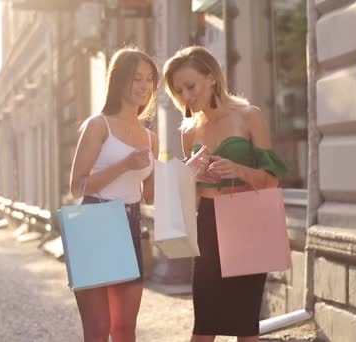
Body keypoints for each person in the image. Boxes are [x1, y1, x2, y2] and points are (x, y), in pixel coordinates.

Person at [163, 46, 289, 342]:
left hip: (248, 221)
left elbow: (271, 182)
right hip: (207, 224)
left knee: (246, 327)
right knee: (203, 327)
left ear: (211, 78)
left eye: (190, 86)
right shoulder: (188, 131)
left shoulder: (249, 116)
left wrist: (239, 170)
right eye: (178, 90)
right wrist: (191, 175)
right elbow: (189, 196)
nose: (186, 96)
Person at [69, 47, 159, 342]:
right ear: (119, 81)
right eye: (137, 78)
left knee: (124, 330)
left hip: (131, 224)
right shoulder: (98, 125)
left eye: (149, 79)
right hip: (95, 219)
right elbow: (77, 186)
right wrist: (123, 165)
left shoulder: (150, 138)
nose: (144, 86)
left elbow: (150, 196)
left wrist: (187, 172)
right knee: (97, 331)